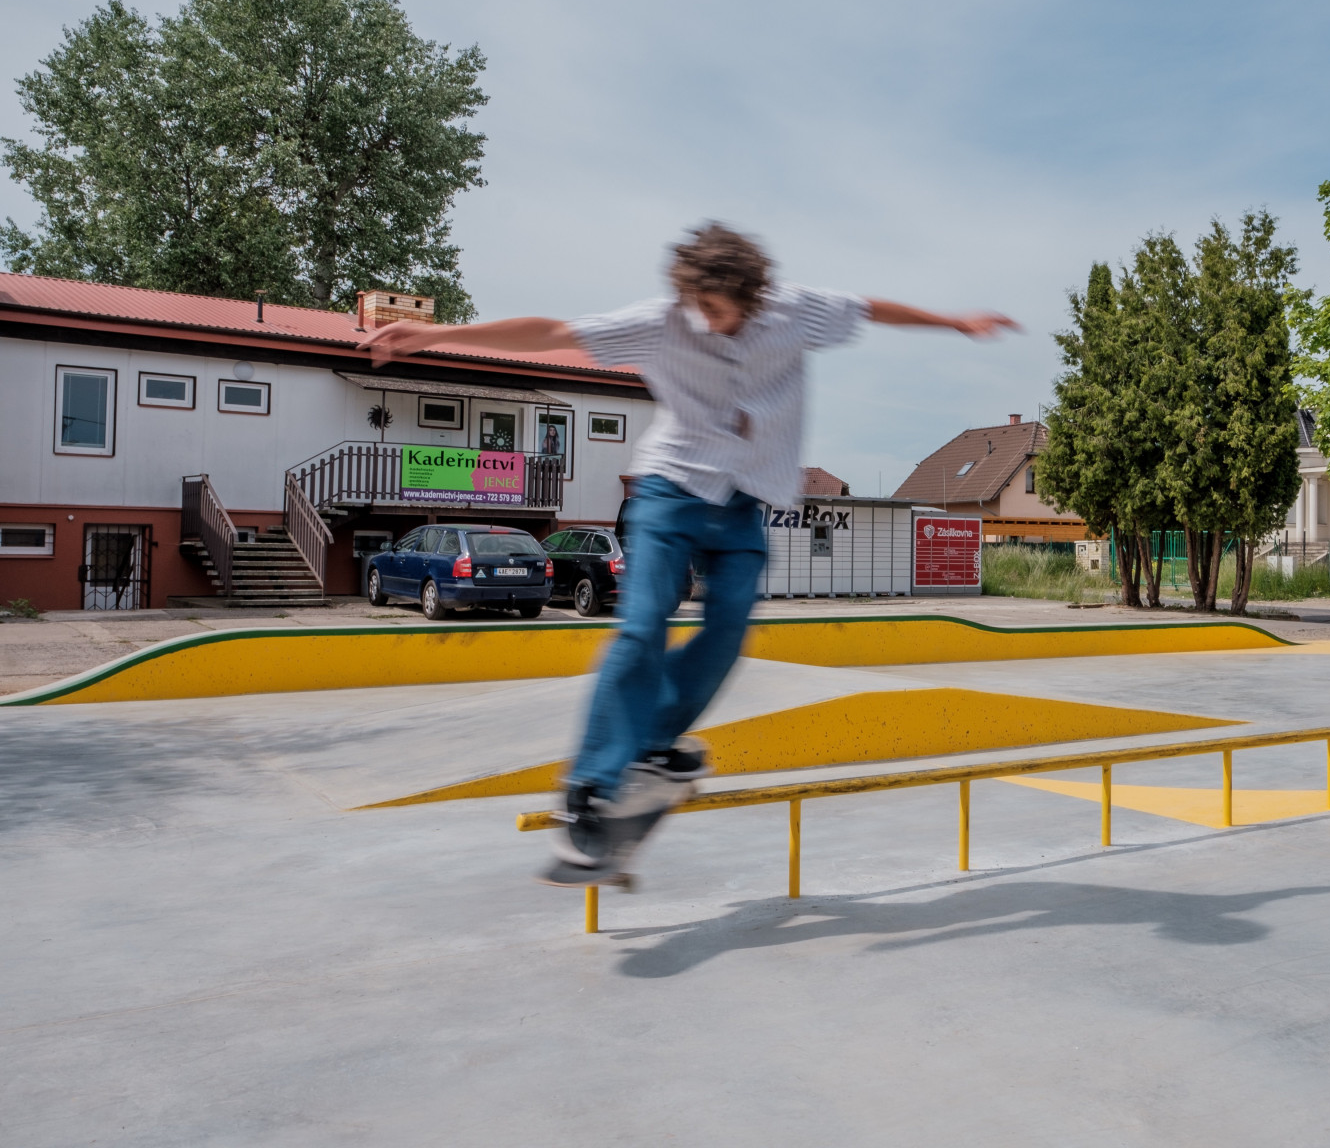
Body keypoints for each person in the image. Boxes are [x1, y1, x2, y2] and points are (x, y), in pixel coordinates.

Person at [367, 222, 1018, 884]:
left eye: (717, 308)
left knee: (729, 629)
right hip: (670, 491)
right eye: (696, 307)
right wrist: (433, 334)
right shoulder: (660, 323)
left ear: (751, 296)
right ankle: (589, 790)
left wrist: (955, 322)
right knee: (643, 622)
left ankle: (651, 745)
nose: (703, 321)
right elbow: (555, 331)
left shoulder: (793, 310)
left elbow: (871, 309)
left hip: (743, 503)